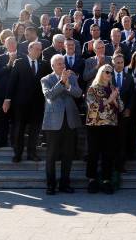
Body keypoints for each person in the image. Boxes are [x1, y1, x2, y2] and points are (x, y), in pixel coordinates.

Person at [41, 54, 82, 195]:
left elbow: (78, 94)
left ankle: (65, 184)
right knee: (51, 155)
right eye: (59, 64)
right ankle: (50, 185)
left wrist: (68, 83)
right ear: (53, 66)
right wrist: (62, 82)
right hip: (53, 123)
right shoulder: (46, 79)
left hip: (70, 121)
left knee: (68, 154)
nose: (62, 65)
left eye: (63, 63)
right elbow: (49, 95)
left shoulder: (72, 77)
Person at [3, 42, 49, 162]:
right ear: (29, 49)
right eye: (37, 49)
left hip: (37, 104)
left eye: (40, 50)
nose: (39, 52)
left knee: (34, 130)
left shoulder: (44, 64)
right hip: (20, 104)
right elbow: (12, 82)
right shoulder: (19, 62)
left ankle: (32, 153)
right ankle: (17, 154)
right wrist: (7, 99)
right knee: (19, 129)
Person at [85, 64, 124, 194]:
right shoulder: (93, 88)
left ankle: (106, 180)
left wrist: (114, 100)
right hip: (95, 126)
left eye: (111, 72)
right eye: (107, 72)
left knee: (108, 154)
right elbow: (92, 106)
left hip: (111, 125)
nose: (109, 74)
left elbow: (121, 107)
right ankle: (92, 180)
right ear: (101, 73)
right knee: (93, 153)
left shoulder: (114, 89)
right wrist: (109, 100)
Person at [0, 36, 19, 148]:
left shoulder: (23, 56)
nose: (11, 45)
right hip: (3, 94)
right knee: (3, 119)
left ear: (16, 43)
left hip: (18, 94)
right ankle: (2, 140)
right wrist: (8, 64)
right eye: (9, 43)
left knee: (16, 120)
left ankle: (15, 141)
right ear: (5, 45)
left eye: (13, 43)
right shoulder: (0, 58)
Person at [111, 53, 135, 177]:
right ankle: (111, 164)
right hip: (110, 113)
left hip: (124, 114)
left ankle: (120, 165)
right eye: (117, 62)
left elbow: (132, 95)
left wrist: (129, 108)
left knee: (122, 140)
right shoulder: (108, 77)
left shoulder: (129, 77)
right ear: (113, 63)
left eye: (121, 62)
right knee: (110, 139)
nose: (119, 64)